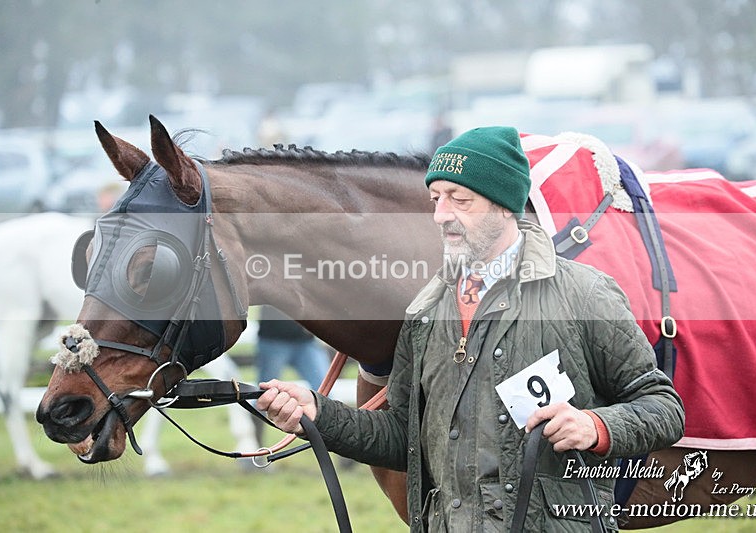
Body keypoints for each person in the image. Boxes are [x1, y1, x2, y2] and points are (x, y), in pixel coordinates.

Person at [257, 127, 685, 531]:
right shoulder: (426, 310)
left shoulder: (584, 293)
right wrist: (318, 415)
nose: (441, 215)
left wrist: (596, 426)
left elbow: (663, 408)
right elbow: (405, 437)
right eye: (435, 198)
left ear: (502, 203)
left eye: (458, 199)